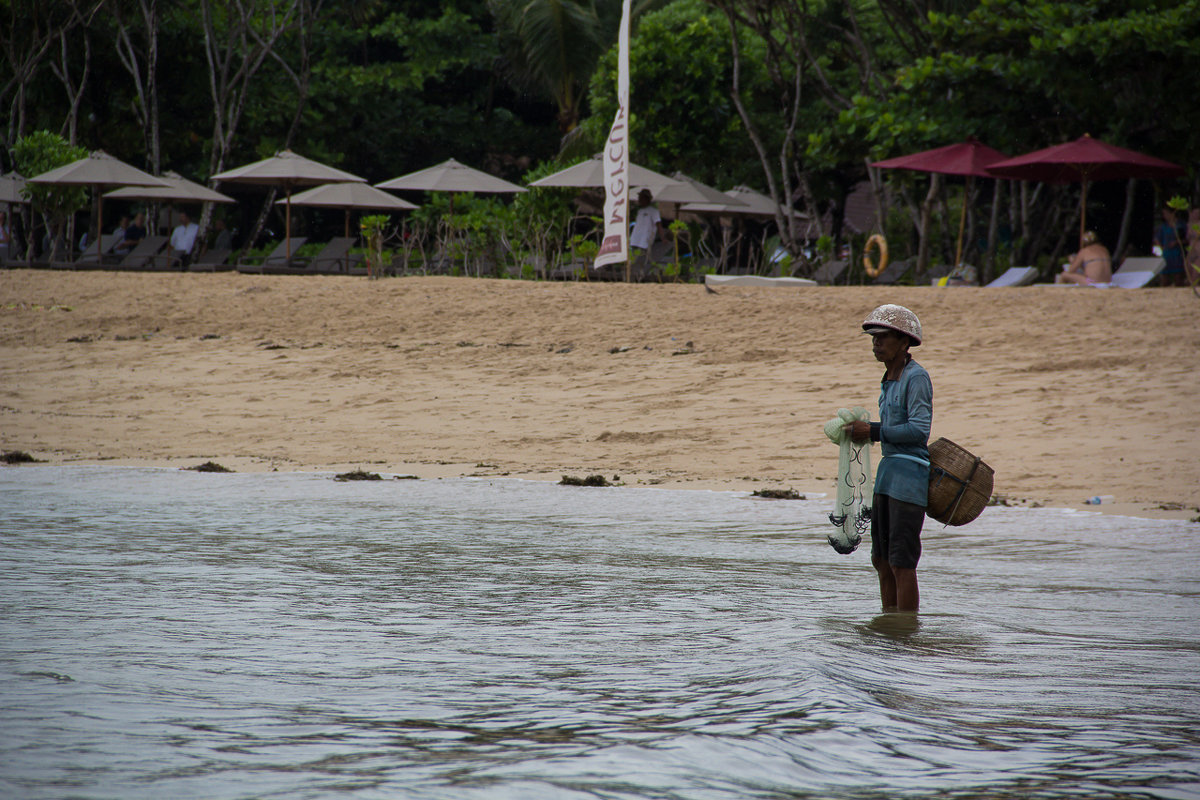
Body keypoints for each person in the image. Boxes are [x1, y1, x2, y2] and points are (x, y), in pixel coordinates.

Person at [847, 304, 932, 613]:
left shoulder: (916, 377)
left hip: (909, 480)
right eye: (873, 339)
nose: (876, 344)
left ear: (904, 342)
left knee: (902, 563)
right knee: (881, 561)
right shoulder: (888, 379)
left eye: (883, 338)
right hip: (886, 478)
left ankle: (906, 631)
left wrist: (872, 431)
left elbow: (919, 431)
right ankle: (890, 629)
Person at [629, 188, 667, 276]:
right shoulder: (640, 211)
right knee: (633, 259)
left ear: (646, 199)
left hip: (644, 241)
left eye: (641, 198)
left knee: (642, 259)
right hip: (635, 240)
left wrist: (663, 238)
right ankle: (633, 273)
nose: (639, 200)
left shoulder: (654, 211)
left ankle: (640, 274)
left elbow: (658, 225)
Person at [1153, 205, 1187, 287]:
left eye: (1166, 213)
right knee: (1164, 279)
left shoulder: (1180, 225)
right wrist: (1161, 247)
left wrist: (1176, 242)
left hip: (1177, 253)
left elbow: (1186, 239)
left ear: (1172, 213)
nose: (1164, 216)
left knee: (1178, 279)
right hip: (1166, 253)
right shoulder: (1164, 226)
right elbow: (1157, 238)